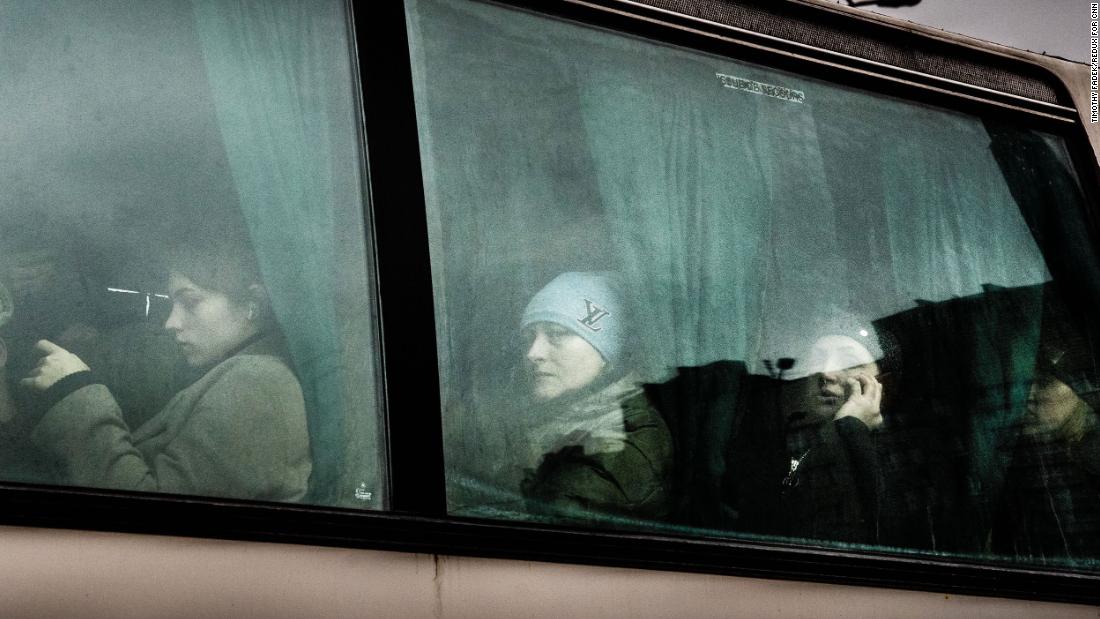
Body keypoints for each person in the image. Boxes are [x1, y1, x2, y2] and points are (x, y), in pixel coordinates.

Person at [19, 236, 311, 501]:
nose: (171, 323)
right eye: (172, 304)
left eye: (191, 302)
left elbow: (161, 515)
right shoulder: (240, 375)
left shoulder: (257, 382)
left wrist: (75, 390)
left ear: (252, 304)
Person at [515, 271, 672, 524]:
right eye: (529, 337)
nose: (533, 353)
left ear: (606, 354)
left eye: (556, 333)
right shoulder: (581, 422)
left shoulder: (619, 443)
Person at [992, 342, 1100, 564]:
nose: (1027, 395)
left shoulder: (1086, 474)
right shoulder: (1015, 462)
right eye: (1022, 382)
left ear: (1083, 392)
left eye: (1044, 382)